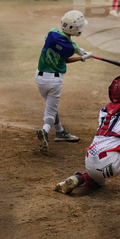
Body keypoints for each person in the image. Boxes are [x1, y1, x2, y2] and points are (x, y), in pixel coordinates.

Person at [35, 10, 92, 154]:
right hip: (54, 81)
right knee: (50, 111)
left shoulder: (52, 33)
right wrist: (82, 56)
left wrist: (80, 52)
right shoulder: (71, 48)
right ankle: (45, 130)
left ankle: (60, 131)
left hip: (39, 78)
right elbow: (67, 57)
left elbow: (54, 40)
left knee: (51, 106)